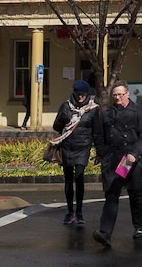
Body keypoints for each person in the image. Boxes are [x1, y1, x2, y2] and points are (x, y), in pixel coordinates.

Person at [92, 81, 142, 248]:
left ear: (128, 94)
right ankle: (105, 233)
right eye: (115, 95)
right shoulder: (106, 113)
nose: (117, 97)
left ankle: (138, 226)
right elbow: (99, 135)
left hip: (129, 158)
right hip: (112, 158)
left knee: (135, 193)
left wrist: (134, 153)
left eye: (120, 94)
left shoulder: (138, 112)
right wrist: (102, 153)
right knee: (111, 195)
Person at [52, 79, 98, 226]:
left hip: (83, 147)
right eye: (78, 94)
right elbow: (56, 126)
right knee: (68, 179)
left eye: (83, 95)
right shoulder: (65, 106)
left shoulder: (93, 109)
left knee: (79, 177)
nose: (80, 97)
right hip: (67, 146)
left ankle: (79, 212)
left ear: (87, 94)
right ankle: (70, 211)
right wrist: (62, 118)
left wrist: (99, 151)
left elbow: (96, 131)